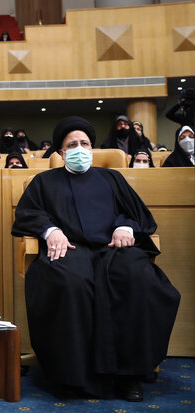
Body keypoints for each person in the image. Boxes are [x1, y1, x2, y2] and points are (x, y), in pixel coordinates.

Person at [12, 116, 180, 401]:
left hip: (113, 249)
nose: (80, 148)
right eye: (72, 144)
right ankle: (72, 377)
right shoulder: (44, 181)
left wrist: (125, 226)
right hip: (71, 250)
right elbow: (28, 214)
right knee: (68, 282)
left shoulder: (112, 178)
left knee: (137, 279)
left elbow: (136, 213)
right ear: (62, 152)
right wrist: (51, 231)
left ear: (92, 148)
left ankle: (129, 375)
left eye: (85, 143)